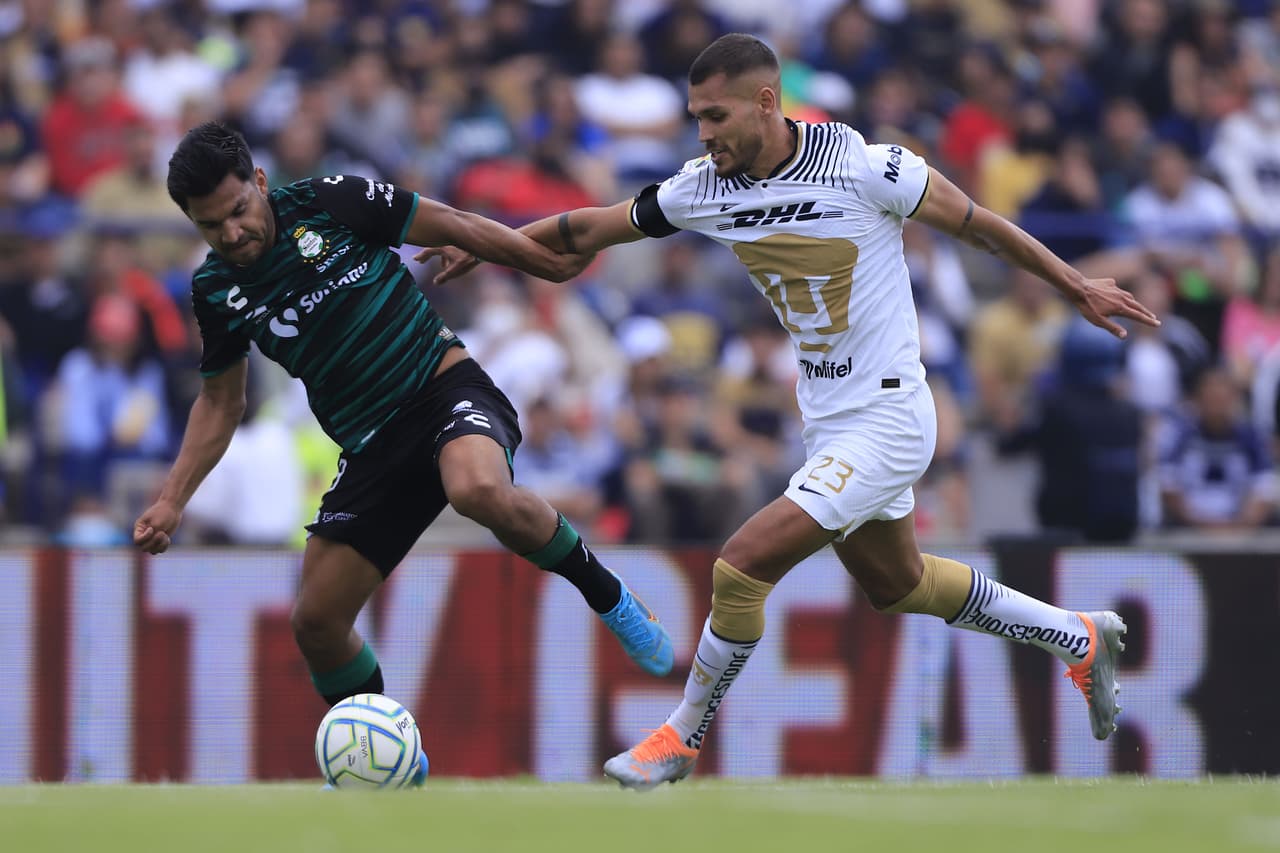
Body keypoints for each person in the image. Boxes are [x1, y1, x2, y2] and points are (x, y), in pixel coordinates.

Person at [423, 34, 1163, 790]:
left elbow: (977, 223)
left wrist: (1074, 285)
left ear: (767, 103)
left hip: (891, 417)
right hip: (830, 422)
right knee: (898, 583)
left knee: (740, 567)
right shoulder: (702, 187)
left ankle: (681, 736)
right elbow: (586, 231)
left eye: (716, 115)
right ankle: (1075, 635)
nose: (703, 133)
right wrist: (492, 241)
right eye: (694, 117)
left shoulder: (868, 166)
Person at [131, 122, 675, 787]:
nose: (232, 233)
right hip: (371, 446)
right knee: (318, 622)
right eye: (211, 225)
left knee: (477, 488)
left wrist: (542, 262)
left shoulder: (331, 202)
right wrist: (171, 497)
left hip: (441, 386)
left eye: (238, 211)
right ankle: (391, 762)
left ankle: (613, 598)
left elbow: (452, 223)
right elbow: (221, 402)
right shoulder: (216, 289)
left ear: (260, 184)